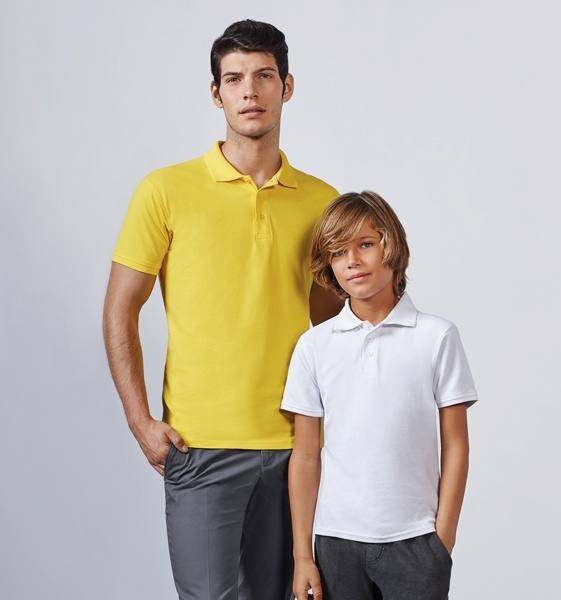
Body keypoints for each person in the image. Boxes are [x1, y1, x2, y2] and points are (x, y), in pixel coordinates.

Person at [102, 20, 342, 600]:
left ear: (287, 86)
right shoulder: (165, 190)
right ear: (216, 94)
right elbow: (119, 309)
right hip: (200, 444)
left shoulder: (323, 201)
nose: (249, 91)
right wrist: (139, 421)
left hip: (296, 445)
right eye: (234, 79)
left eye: (264, 76)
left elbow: (335, 325)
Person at [281, 191, 478, 600]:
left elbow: (456, 444)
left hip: (415, 541)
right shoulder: (314, 346)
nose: (352, 260)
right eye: (338, 252)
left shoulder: (436, 336)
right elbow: (305, 455)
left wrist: (442, 540)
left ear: (392, 246)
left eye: (366, 244)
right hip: (336, 543)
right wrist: (302, 556)